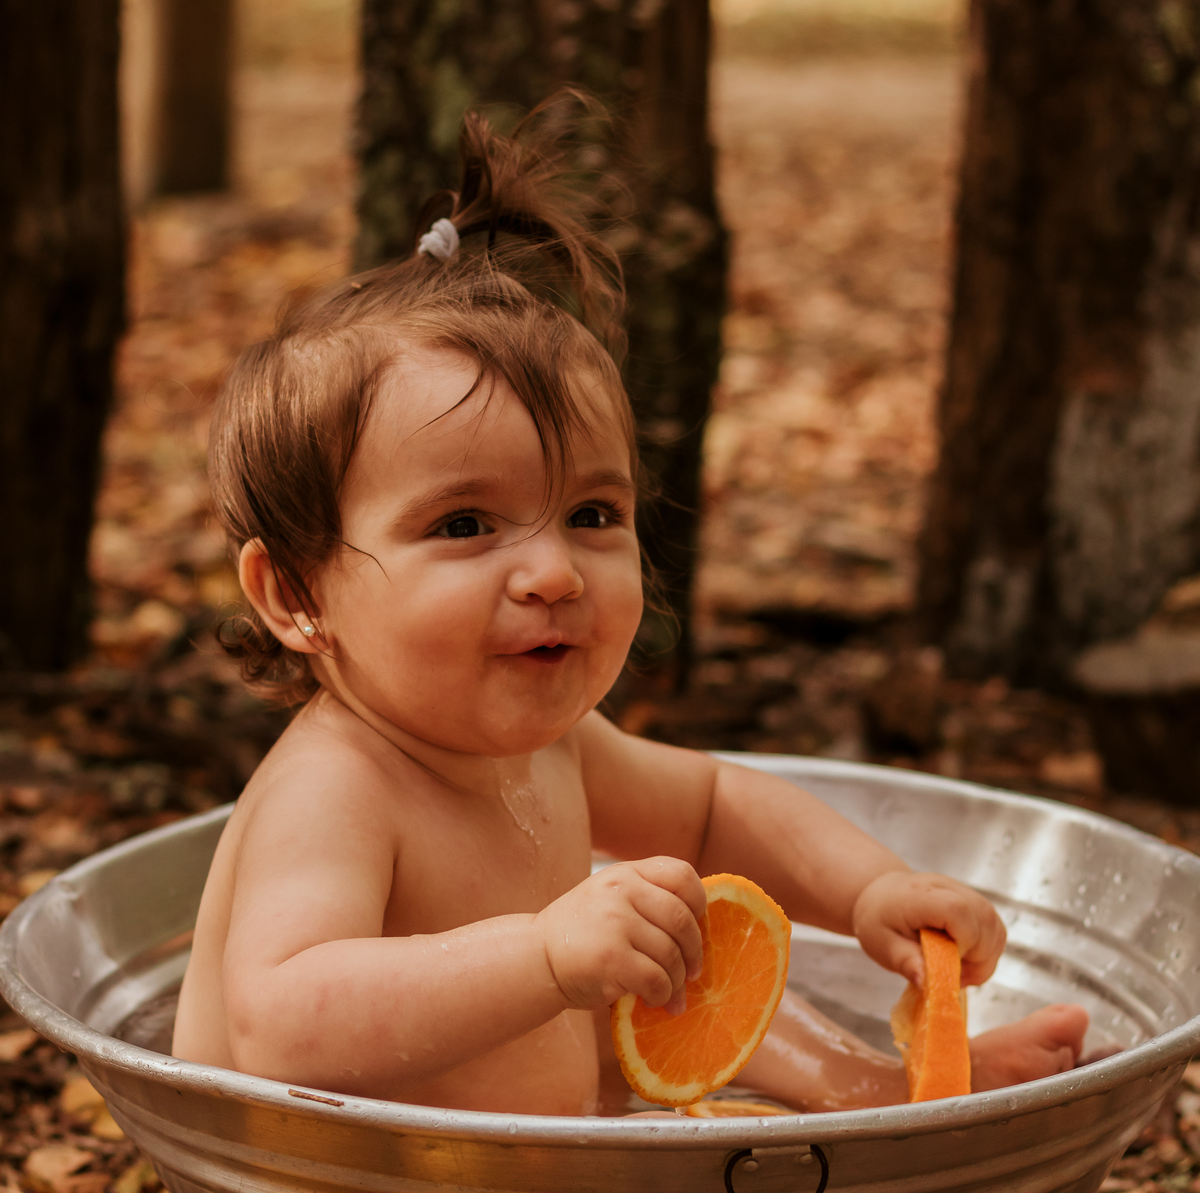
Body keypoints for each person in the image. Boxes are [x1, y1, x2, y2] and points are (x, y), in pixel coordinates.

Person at [172, 108, 1089, 1115]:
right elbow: (279, 1024)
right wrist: (543, 956)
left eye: (592, 513)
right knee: (616, 942)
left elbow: (715, 808)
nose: (554, 572)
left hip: (546, 1178)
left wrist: (872, 891)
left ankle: (876, 1090)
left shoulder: (553, 744)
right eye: (468, 523)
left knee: (675, 944)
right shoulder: (339, 791)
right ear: (297, 595)